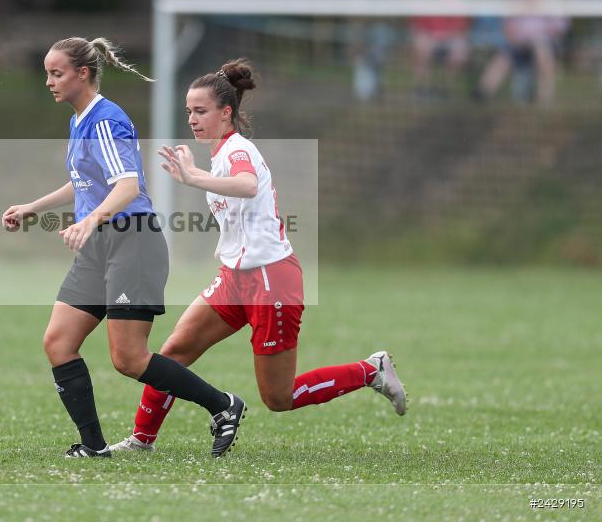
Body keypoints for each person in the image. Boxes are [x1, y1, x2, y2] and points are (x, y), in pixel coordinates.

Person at [109, 60, 407, 453]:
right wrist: (198, 173)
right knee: (173, 354)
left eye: (201, 111)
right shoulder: (220, 155)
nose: (193, 119)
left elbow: (247, 185)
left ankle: (371, 371)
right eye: (189, 112)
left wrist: (192, 177)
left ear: (225, 112)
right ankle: (141, 440)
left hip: (271, 280)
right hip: (234, 278)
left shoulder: (238, 150)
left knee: (277, 397)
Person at [2, 37, 246, 458]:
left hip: (132, 240)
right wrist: (33, 207)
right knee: (59, 342)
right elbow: (83, 181)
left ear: (83, 74)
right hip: (101, 244)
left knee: (129, 359)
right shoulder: (80, 120)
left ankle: (224, 405)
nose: (49, 82)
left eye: (56, 73)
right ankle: (93, 447)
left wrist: (89, 219)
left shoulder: (105, 119)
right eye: (47, 73)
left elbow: (128, 186)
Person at [476, 0, 569, 105]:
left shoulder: (553, 2)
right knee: (503, 58)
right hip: (519, 45)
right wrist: (516, 38)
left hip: (544, 45)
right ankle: (483, 93)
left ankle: (544, 98)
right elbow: (508, 26)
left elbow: (560, 28)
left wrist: (537, 36)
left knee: (540, 49)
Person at [410, 0, 469, 96]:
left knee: (459, 51)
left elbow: (461, 23)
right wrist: (430, 35)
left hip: (450, 38)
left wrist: (447, 34)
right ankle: (421, 88)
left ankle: (445, 87)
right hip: (430, 38)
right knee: (421, 45)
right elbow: (417, 24)